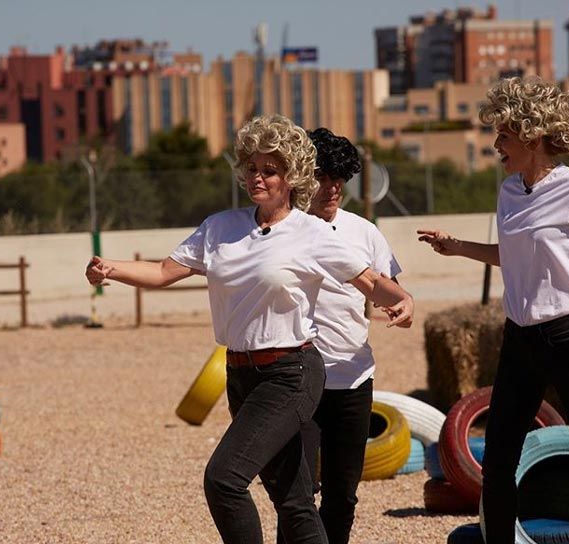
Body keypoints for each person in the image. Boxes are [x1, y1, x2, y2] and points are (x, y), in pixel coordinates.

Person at [85, 114, 414, 544]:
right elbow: (164, 271)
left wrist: (403, 300)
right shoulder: (220, 227)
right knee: (293, 501)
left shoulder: (313, 233)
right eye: (252, 168)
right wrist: (110, 269)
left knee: (224, 479)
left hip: (291, 374)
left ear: (291, 178)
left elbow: (370, 281)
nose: (257, 178)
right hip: (239, 375)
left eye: (270, 170)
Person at [418, 77, 569, 543]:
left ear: (530, 136)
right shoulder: (508, 192)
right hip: (520, 340)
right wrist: (457, 247)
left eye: (503, 135)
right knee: (500, 466)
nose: (496, 144)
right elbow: (512, 253)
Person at [275, 128, 405, 544]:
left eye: (339, 179)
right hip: (298, 381)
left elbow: (391, 288)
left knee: (342, 496)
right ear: (301, 180)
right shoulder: (282, 231)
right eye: (322, 178)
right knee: (296, 496)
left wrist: (405, 305)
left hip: (354, 379)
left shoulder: (365, 232)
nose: (331, 188)